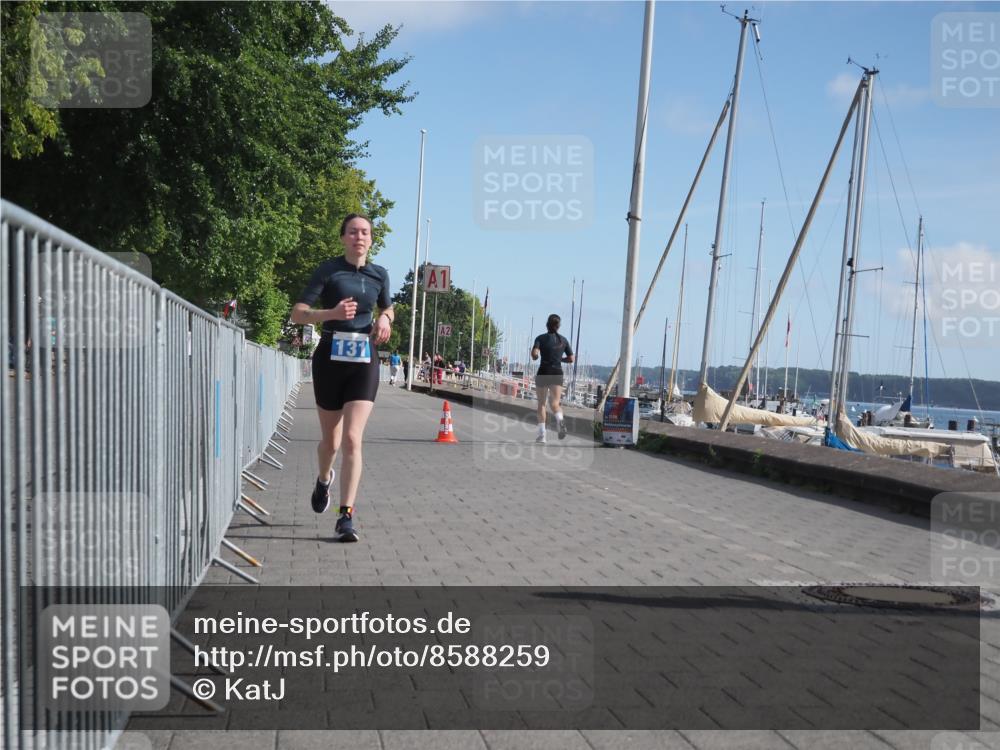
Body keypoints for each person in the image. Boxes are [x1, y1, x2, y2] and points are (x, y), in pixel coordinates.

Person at [290, 214, 393, 543]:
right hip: (330, 359)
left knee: (352, 439)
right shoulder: (329, 270)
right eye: (352, 232)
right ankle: (324, 479)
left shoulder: (379, 274)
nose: (359, 237)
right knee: (331, 443)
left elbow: (388, 307)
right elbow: (297, 313)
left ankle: (345, 515)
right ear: (342, 237)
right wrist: (331, 314)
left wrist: (385, 319)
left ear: (371, 239)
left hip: (363, 359)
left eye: (365, 232)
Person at [530, 313, 574, 443]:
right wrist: (560, 359)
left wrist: (535, 355)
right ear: (558, 326)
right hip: (557, 372)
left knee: (541, 404)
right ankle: (560, 420)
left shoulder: (540, 338)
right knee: (555, 404)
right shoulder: (563, 340)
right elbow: (571, 358)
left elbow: (535, 354)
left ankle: (542, 435)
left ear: (547, 324)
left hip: (544, 372)